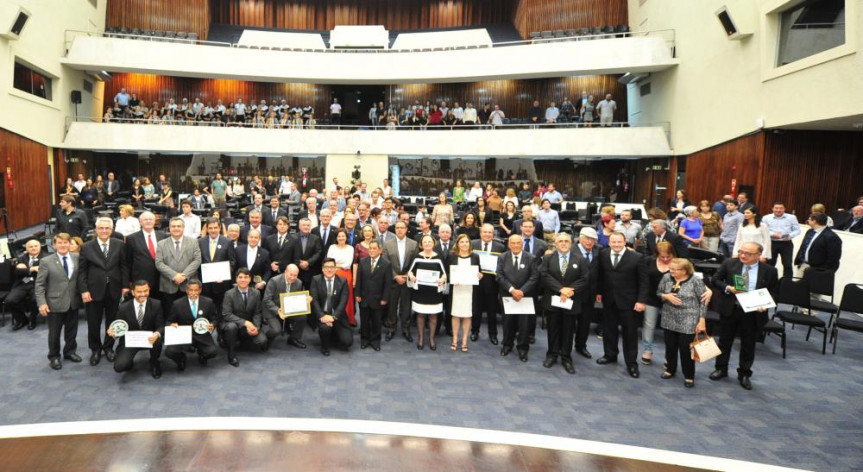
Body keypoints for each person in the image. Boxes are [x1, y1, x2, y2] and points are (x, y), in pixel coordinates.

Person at [709, 242, 779, 390]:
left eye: (748, 253)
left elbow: (774, 292)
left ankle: (744, 374)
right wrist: (728, 288)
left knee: (748, 344)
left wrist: (765, 304)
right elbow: (715, 280)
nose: (743, 255)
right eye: (741, 252)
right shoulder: (729, 263)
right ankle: (721, 368)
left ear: (759, 255)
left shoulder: (769, 270)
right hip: (730, 309)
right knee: (724, 341)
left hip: (753, 312)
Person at [78, 217, 129, 366]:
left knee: (113, 320)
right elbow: (82, 271)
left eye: (107, 228)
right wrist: (84, 290)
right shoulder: (87, 247)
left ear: (112, 230)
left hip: (114, 289)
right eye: (101, 228)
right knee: (93, 322)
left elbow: (124, 266)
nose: (104, 231)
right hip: (93, 291)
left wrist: (125, 285)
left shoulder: (119, 244)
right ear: (96, 230)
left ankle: (108, 347)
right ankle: (95, 349)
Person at [596, 232, 648, 379]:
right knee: (609, 330)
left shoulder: (637, 257)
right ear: (609, 242)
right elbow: (601, 275)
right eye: (614, 242)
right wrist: (599, 292)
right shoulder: (603, 254)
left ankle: (631, 363)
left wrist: (641, 300)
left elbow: (644, 282)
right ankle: (610, 355)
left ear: (625, 242)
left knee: (630, 334)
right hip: (609, 300)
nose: (617, 244)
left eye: (619, 242)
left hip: (630, 302)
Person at [539, 232, 590, 374]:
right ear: (555, 244)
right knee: (553, 328)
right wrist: (561, 289)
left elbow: (584, 278)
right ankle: (552, 354)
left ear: (571, 243)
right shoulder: (548, 258)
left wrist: (570, 291)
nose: (563, 243)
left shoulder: (580, 260)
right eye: (560, 241)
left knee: (568, 330)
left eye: (566, 241)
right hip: (553, 300)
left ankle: (566, 357)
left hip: (571, 301)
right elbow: (544, 275)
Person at [658, 258, 709, 388]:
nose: (671, 271)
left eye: (675, 269)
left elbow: (703, 301)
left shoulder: (696, 281)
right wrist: (666, 296)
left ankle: (689, 376)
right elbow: (658, 293)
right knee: (670, 347)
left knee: (685, 349)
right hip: (669, 317)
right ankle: (670, 369)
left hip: (689, 318)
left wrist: (702, 319)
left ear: (685, 270)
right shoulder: (666, 277)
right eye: (671, 268)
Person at [35, 233, 81, 371]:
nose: (63, 245)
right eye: (59, 243)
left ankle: (70, 352)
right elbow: (40, 285)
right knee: (54, 333)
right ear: (54, 245)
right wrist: (41, 303)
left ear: (69, 244)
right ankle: (54, 356)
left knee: (72, 330)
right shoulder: (46, 261)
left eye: (66, 242)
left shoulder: (77, 257)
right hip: (54, 303)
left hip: (73, 301)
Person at [107, 280, 164, 379]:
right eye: (139, 292)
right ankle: (129, 362)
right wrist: (112, 332)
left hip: (150, 340)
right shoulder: (123, 308)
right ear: (133, 292)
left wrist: (157, 333)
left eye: (145, 291)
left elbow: (161, 326)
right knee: (119, 367)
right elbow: (118, 326)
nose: (143, 294)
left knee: (158, 339)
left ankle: (154, 362)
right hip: (131, 341)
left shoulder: (156, 304)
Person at [498, 235, 539, 363]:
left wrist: (521, 291)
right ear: (509, 244)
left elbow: (534, 277)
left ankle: (522, 348)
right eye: (513, 243)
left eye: (518, 243)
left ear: (522, 244)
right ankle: (507, 345)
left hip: (524, 297)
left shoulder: (531, 258)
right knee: (507, 322)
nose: (515, 245)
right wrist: (512, 290)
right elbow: (499, 276)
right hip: (507, 295)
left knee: (524, 325)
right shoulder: (502, 257)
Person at [165, 279, 218, 370]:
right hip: (183, 335)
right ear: (187, 290)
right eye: (191, 290)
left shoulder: (208, 302)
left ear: (200, 290)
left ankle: (202, 356)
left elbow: (215, 319)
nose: (193, 293)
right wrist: (171, 325)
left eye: (196, 290)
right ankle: (181, 359)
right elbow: (169, 321)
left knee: (212, 352)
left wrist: (212, 325)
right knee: (170, 352)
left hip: (202, 335)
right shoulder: (177, 304)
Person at [220, 269, 268, 367]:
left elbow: (257, 313)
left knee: (262, 341)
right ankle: (231, 355)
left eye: (246, 277)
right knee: (231, 327)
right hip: (232, 323)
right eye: (240, 277)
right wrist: (245, 322)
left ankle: (241, 340)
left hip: (248, 325)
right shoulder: (229, 294)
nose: (243, 280)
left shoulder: (256, 293)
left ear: (250, 279)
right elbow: (227, 314)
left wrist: (256, 327)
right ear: (236, 279)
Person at [407, 235, 447, 351]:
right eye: (425, 242)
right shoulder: (417, 257)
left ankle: (432, 339)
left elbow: (444, 273)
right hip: (420, 292)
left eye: (430, 242)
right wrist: (412, 276)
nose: (428, 244)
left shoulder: (438, 257)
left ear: (433, 244)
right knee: (421, 315)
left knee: (433, 315)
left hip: (434, 292)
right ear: (421, 244)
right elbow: (410, 272)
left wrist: (442, 279)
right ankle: (421, 338)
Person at [155, 217, 203, 307]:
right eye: (173, 226)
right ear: (169, 228)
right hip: (168, 285)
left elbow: (197, 260)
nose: (176, 228)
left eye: (179, 226)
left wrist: (184, 275)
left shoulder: (193, 242)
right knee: (170, 313)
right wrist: (174, 276)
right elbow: (159, 263)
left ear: (183, 228)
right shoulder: (161, 244)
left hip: (189, 285)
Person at [470, 224, 505, 344]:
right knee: (476, 310)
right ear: (480, 233)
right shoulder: (473, 244)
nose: (487, 234)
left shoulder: (500, 247)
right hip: (476, 281)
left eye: (490, 232)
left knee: (492, 311)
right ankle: (474, 331)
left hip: (492, 283)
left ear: (493, 234)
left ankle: (493, 334)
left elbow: (502, 265)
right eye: (485, 232)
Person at [446, 234, 482, 352]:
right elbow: (447, 273)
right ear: (457, 244)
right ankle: (455, 340)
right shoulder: (451, 256)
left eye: (467, 242)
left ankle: (465, 341)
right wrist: (452, 278)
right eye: (462, 242)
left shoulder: (475, 257)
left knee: (467, 315)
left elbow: (479, 272)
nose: (464, 244)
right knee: (455, 315)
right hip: (456, 291)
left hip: (469, 291)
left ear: (470, 244)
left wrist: (480, 275)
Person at [641, 241, 674, 365]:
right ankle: (647, 350)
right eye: (662, 256)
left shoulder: (678, 263)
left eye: (668, 256)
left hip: (671, 299)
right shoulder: (649, 260)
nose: (665, 259)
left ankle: (669, 355)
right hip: (651, 297)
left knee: (669, 328)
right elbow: (643, 279)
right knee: (649, 324)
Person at [310, 258, 353, 356]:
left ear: (335, 268)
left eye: (332, 267)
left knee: (347, 342)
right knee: (325, 329)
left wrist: (333, 317)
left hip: (337, 315)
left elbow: (343, 302)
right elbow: (314, 301)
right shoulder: (316, 280)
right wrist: (322, 316)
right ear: (322, 269)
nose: (329, 270)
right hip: (322, 314)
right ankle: (324, 346)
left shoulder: (342, 281)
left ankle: (333, 333)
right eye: (326, 267)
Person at [383, 221, 418, 342]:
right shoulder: (387, 244)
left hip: (407, 281)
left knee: (406, 306)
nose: (399, 230)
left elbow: (415, 263)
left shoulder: (413, 244)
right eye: (397, 228)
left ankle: (406, 329)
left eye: (402, 228)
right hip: (393, 281)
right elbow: (386, 263)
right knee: (392, 306)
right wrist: (395, 276)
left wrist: (407, 275)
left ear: (406, 229)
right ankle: (391, 329)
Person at [355, 240, 391, 351]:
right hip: (364, 297)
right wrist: (357, 294)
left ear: (380, 250)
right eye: (370, 248)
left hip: (378, 298)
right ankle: (364, 340)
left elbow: (387, 283)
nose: (371, 250)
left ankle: (375, 341)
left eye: (374, 248)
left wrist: (385, 298)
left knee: (376, 321)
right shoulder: (362, 261)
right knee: (364, 321)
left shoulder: (386, 264)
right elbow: (359, 279)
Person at [262, 264, 308, 349]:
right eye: (291, 274)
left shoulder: (299, 282)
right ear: (285, 272)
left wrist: (304, 301)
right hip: (272, 308)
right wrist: (278, 310)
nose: (293, 277)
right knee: (276, 330)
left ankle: (293, 338)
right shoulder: (274, 281)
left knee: (302, 316)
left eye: (295, 275)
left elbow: (296, 298)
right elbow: (267, 299)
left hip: (288, 308)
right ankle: (267, 338)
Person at [8, 239, 42, 331]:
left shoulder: (46, 257)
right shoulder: (21, 258)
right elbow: (17, 272)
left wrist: (25, 269)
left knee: (36, 300)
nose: (33, 248)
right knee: (10, 300)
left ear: (40, 247)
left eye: (36, 246)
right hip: (22, 283)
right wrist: (32, 269)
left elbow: (44, 270)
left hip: (38, 284)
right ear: (27, 249)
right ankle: (22, 320)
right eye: (31, 246)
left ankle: (32, 318)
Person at [762, 201, 801, 278]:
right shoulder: (766, 218)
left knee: (787, 264)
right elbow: (763, 230)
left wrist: (789, 236)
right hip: (771, 243)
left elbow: (797, 230)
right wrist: (773, 234)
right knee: (770, 264)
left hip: (786, 243)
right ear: (772, 209)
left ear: (784, 209)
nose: (778, 210)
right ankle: (769, 282)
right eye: (776, 208)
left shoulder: (791, 217)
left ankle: (787, 283)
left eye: (781, 208)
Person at [327, 229, 356, 326]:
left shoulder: (350, 248)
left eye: (343, 236)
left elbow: (347, 265)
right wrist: (336, 265)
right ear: (336, 237)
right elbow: (328, 262)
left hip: (346, 275)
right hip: (331, 274)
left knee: (346, 298)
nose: (341, 238)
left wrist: (335, 265)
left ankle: (347, 319)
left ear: (346, 237)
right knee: (332, 297)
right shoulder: (332, 247)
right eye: (339, 236)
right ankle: (332, 318)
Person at [290, 218, 323, 289]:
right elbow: (290, 253)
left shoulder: (316, 238)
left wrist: (308, 262)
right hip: (296, 272)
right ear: (299, 226)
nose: (306, 227)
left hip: (311, 271)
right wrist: (299, 263)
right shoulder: (292, 237)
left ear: (310, 226)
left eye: (308, 225)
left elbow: (318, 252)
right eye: (303, 225)